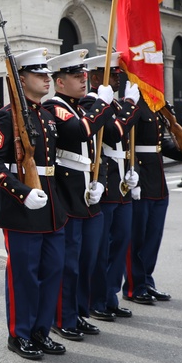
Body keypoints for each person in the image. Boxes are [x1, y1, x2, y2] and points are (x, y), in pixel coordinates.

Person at [0, 48, 68, 359]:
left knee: (52, 271)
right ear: (21, 79)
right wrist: (22, 193)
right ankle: (19, 334)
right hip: (21, 209)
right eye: (39, 74)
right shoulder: (5, 117)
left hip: (51, 209)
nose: (47, 79)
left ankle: (40, 331)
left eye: (48, 74)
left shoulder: (47, 116)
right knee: (24, 275)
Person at [41, 50, 114, 342]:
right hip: (69, 193)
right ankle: (63, 318)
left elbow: (100, 151)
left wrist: (101, 182)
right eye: (75, 76)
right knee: (69, 263)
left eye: (84, 75)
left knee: (87, 260)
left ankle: (79, 312)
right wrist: (102, 105)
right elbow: (79, 132)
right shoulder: (54, 106)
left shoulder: (80, 107)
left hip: (88, 192)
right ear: (59, 82)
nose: (83, 80)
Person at [125, 103, 182, 304]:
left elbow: (157, 144)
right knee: (137, 237)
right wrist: (133, 174)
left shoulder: (156, 107)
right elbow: (126, 144)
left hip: (157, 180)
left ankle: (147, 280)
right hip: (140, 178)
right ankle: (134, 286)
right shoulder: (131, 106)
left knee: (153, 237)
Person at [83, 54, 139, 323]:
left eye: (119, 75)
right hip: (104, 184)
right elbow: (116, 132)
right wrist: (130, 104)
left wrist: (132, 169)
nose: (119, 79)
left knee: (120, 243)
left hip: (122, 183)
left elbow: (126, 143)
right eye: (114, 75)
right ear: (96, 77)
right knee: (102, 247)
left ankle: (111, 296)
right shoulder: (91, 103)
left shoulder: (113, 104)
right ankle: (97, 300)